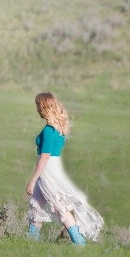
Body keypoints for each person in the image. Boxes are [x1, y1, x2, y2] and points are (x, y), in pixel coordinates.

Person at [26, 92, 104, 245]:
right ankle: (30, 242)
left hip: (47, 171)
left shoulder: (49, 130)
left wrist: (32, 180)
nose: (37, 109)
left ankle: (79, 242)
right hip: (50, 168)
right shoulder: (58, 128)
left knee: (59, 207)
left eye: (38, 106)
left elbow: (44, 158)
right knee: (35, 206)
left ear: (44, 108)